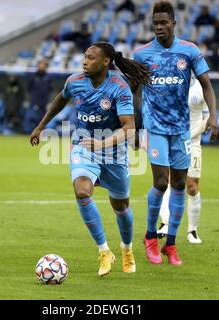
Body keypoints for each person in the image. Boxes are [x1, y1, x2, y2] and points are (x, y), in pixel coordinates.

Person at [30, 42, 150, 276]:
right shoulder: (74, 82)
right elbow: (60, 100)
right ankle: (104, 251)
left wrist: (103, 143)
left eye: (91, 58)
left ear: (106, 62)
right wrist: (41, 126)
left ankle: (127, 249)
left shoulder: (119, 87)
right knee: (82, 192)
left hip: (114, 152)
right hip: (84, 145)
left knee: (121, 207)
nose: (85, 61)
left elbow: (129, 127)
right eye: (84, 57)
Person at [132, 1, 218, 266]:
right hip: (155, 126)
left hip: (181, 129)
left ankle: (171, 244)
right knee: (160, 182)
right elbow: (134, 93)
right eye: (155, 23)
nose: (158, 27)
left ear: (173, 23)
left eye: (163, 22)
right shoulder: (142, 54)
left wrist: (213, 116)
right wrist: (135, 129)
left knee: (180, 184)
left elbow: (206, 85)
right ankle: (150, 237)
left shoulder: (189, 51)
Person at [157, 75, 210, 244]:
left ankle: (192, 231)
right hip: (173, 140)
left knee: (192, 187)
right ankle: (165, 223)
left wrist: (190, 134)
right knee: (168, 181)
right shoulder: (172, 84)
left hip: (192, 142)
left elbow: (208, 118)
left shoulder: (202, 87)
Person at [25, 59, 52, 134]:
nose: (42, 66)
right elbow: (29, 89)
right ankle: (28, 133)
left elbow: (49, 89)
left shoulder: (48, 77)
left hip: (43, 103)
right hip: (33, 102)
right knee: (30, 118)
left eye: (44, 65)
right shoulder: (33, 77)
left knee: (42, 120)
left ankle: (41, 134)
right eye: (40, 65)